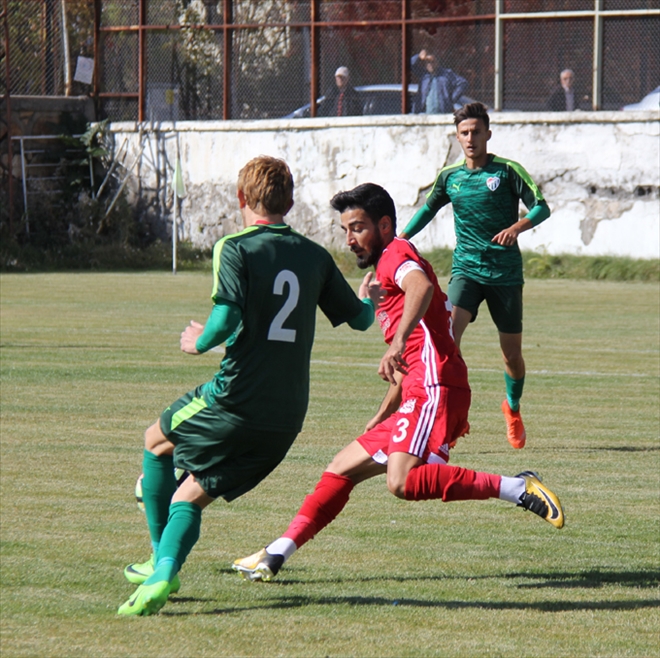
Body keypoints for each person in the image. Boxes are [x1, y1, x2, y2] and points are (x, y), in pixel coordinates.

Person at [232, 182, 564, 584]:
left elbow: (420, 288)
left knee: (402, 480)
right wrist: (382, 413)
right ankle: (275, 554)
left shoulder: (395, 255)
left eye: (358, 228)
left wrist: (398, 342)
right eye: (345, 231)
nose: (350, 239)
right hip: (421, 390)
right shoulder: (386, 271)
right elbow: (410, 353)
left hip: (436, 387)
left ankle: (517, 487)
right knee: (340, 469)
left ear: (385, 225)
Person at [117, 156, 383, 616]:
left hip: (235, 398)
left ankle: (161, 563)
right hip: (286, 418)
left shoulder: (235, 247)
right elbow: (360, 322)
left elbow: (227, 317)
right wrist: (368, 300)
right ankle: (161, 571)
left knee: (155, 440)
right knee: (192, 493)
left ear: (241, 198)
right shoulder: (315, 255)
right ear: (291, 201)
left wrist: (198, 342)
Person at [399, 102, 551, 450]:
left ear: (487, 134)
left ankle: (512, 408)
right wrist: (402, 239)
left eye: (476, 132)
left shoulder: (508, 171)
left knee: (511, 355)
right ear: (457, 137)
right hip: (466, 270)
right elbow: (428, 208)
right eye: (464, 133)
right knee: (447, 343)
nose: (470, 138)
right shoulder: (450, 177)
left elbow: (542, 206)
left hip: (505, 274)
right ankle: (449, 421)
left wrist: (517, 227)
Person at [411, 49, 468, 114]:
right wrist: (418, 57)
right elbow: (410, 65)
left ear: (437, 62)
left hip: (442, 113)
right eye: (428, 62)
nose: (430, 64)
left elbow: (463, 83)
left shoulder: (446, 74)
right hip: (424, 114)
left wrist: (452, 98)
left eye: (433, 62)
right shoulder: (424, 75)